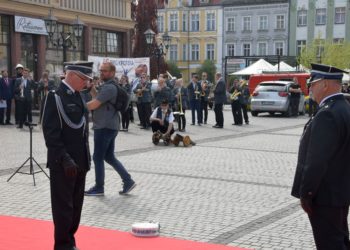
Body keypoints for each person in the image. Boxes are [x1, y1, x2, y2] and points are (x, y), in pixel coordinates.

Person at [291, 63, 350, 250]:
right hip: (340, 192)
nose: (310, 88)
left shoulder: (328, 114)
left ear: (325, 84)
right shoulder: (344, 108)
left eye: (313, 83)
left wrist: (306, 193)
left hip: (325, 195)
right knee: (339, 239)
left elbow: (317, 161)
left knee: (330, 244)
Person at [41, 62, 92, 250]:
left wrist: (86, 160)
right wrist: (64, 158)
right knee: (63, 209)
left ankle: (70, 242)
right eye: (85, 79)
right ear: (73, 76)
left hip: (80, 162)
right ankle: (62, 246)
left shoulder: (79, 96)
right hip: (63, 164)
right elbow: (51, 133)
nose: (86, 83)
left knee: (76, 208)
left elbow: (83, 132)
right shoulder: (55, 97)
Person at [85, 62, 136, 196]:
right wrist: (91, 89)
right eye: (101, 70)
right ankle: (128, 181)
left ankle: (99, 187)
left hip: (104, 126)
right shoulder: (108, 86)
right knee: (109, 156)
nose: (102, 73)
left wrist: (76, 107)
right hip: (110, 125)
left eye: (105, 71)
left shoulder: (109, 88)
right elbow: (98, 99)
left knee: (97, 157)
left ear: (112, 73)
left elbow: (95, 104)